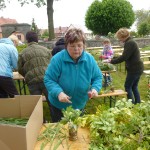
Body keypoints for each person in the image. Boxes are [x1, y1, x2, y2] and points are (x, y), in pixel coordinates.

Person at [44, 28, 103, 122]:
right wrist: (58, 92)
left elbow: (97, 77)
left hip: (79, 104)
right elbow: (49, 79)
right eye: (72, 46)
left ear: (84, 45)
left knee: (77, 129)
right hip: (59, 105)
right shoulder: (57, 59)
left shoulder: (90, 59)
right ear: (66, 46)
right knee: (61, 131)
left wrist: (95, 88)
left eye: (79, 45)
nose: (76, 49)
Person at [109, 28, 144, 104]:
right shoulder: (130, 41)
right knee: (134, 86)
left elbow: (124, 57)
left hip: (134, 68)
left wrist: (112, 61)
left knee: (127, 86)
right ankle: (138, 103)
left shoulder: (129, 43)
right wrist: (113, 58)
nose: (119, 39)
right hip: (138, 67)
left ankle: (130, 104)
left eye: (119, 38)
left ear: (122, 36)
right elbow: (125, 55)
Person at [18, 31, 52, 109]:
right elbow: (51, 65)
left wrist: (27, 75)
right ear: (37, 39)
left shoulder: (22, 53)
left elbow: (19, 69)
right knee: (52, 102)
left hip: (32, 81)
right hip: (46, 79)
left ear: (27, 40)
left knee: (37, 105)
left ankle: (39, 120)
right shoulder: (46, 50)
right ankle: (55, 120)